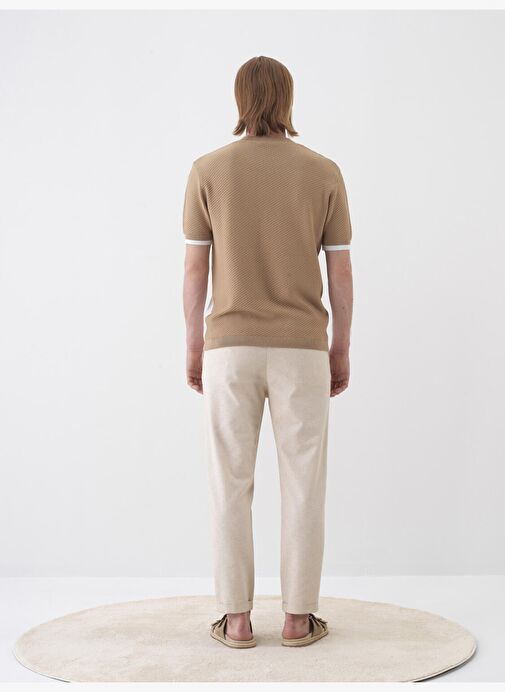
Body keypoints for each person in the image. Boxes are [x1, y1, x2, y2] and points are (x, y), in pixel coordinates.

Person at [182, 56, 353, 649]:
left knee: (229, 482)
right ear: (287, 98)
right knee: (304, 482)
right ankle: (299, 619)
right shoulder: (323, 172)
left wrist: (195, 345)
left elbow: (195, 269)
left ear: (240, 99)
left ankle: (235, 620)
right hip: (302, 350)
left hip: (229, 348)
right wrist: (339, 348)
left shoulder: (207, 170)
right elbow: (340, 273)